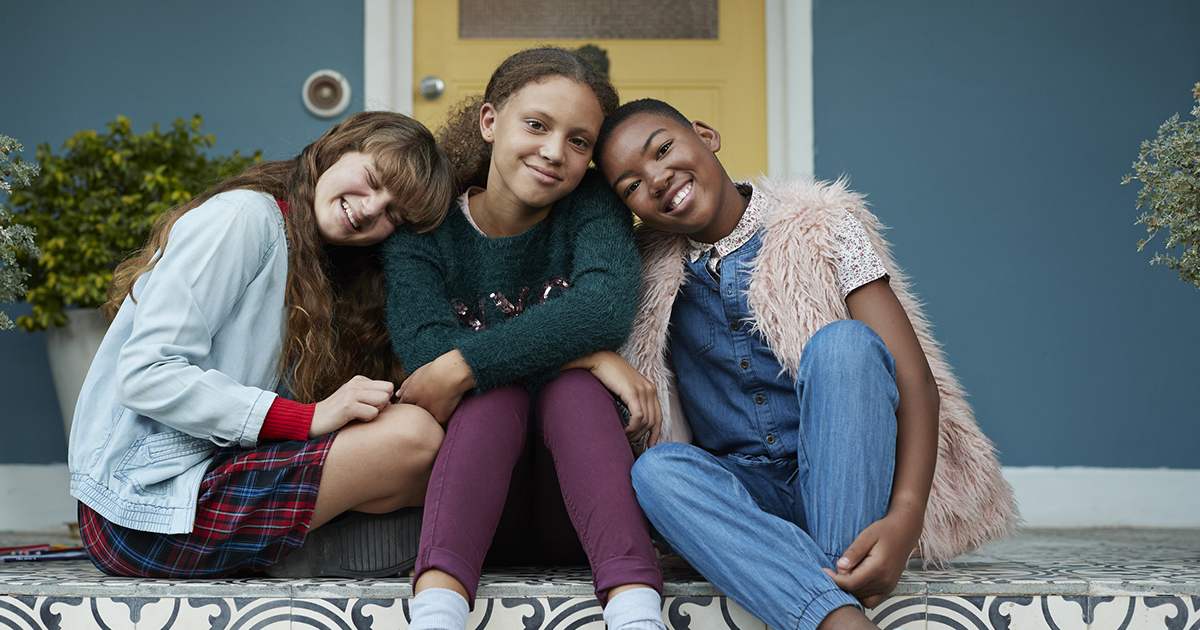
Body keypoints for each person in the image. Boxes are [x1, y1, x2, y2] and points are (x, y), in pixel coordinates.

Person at [594, 99, 1019, 630]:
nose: (656, 180)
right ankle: (836, 616)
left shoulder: (824, 225)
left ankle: (822, 578)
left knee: (845, 345)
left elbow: (915, 382)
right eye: (630, 185)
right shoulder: (646, 274)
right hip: (748, 499)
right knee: (656, 472)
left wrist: (907, 516)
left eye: (663, 149)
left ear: (706, 135)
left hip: (845, 476)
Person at [69, 111, 457, 580]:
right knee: (412, 440)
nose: (374, 208)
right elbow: (146, 373)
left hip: (215, 477)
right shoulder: (244, 218)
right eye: (373, 179)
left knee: (437, 454)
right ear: (336, 150)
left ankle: (290, 549)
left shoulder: (325, 263)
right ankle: (293, 551)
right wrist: (310, 418)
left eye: (395, 214)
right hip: (144, 509)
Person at [382, 48, 667, 630]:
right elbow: (430, 364)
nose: (554, 152)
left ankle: (638, 614)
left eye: (580, 141)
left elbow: (603, 307)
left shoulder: (590, 205)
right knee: (497, 394)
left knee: (572, 392)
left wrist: (476, 362)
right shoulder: (424, 232)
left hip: (584, 512)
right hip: (476, 516)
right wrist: (587, 355)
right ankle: (435, 614)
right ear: (490, 122)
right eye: (536, 125)